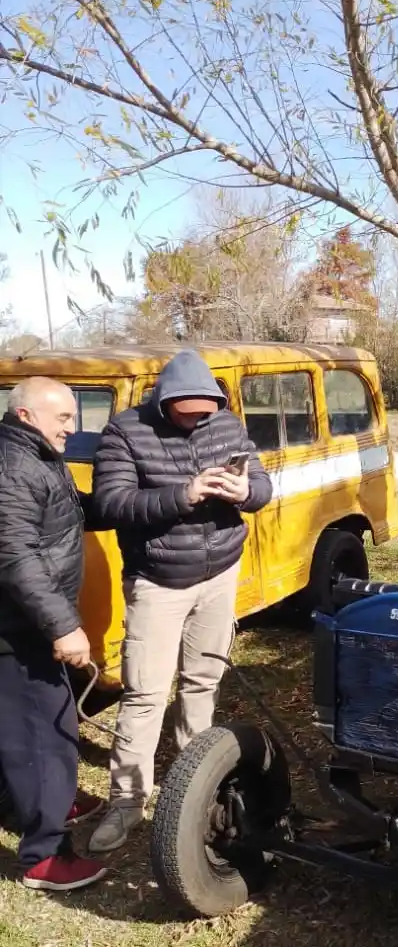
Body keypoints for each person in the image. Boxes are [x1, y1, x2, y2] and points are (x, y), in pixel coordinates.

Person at [87, 349, 272, 854]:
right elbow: (110, 505)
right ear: (164, 402)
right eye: (186, 414)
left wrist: (243, 491)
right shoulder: (125, 431)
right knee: (145, 694)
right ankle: (127, 801)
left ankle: (195, 783)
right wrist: (185, 493)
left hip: (220, 575)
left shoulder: (227, 422)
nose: (197, 422)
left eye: (204, 413)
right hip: (159, 582)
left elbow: (262, 486)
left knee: (203, 682)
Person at [0, 377, 110, 891]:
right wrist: (63, 625)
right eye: (63, 417)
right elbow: (16, 555)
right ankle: (44, 857)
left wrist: (159, 499)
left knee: (40, 723)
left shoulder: (38, 456)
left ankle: (52, 798)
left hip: (29, 625)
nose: (73, 426)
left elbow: (72, 510)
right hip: (19, 629)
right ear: (26, 416)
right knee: (44, 736)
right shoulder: (15, 467)